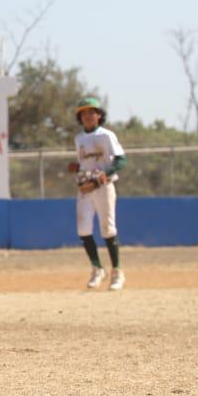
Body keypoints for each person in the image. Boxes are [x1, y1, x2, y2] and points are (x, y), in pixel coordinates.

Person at [66, 97, 127, 291]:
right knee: (83, 230)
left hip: (104, 186)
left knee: (107, 228)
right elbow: (85, 164)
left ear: (99, 115)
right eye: (84, 113)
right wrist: (77, 167)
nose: (88, 116)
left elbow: (121, 160)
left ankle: (117, 272)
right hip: (86, 187)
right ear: (80, 117)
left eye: (92, 112)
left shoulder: (106, 135)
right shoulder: (79, 139)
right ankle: (97, 269)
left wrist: (106, 174)